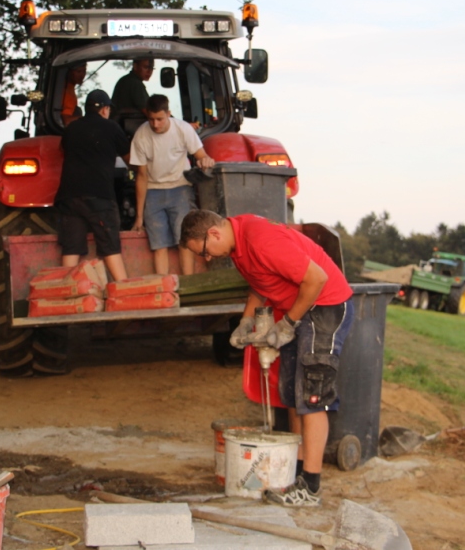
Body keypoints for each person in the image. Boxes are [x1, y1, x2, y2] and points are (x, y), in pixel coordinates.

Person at [179, 209, 354, 507]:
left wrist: (288, 323)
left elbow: (317, 279)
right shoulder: (237, 244)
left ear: (214, 234)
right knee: (293, 396)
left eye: (204, 252)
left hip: (325, 306)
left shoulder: (261, 240)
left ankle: (310, 488)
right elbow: (260, 283)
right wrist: (246, 321)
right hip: (300, 308)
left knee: (312, 397)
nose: (207, 258)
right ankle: (296, 473)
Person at [130, 95, 214, 275]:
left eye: (160, 119)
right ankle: (164, 285)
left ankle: (188, 284)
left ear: (168, 114)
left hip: (180, 188)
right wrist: (139, 217)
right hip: (153, 191)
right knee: (159, 245)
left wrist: (205, 161)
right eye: (151, 119)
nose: (155, 124)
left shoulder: (183, 129)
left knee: (184, 241)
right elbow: (142, 176)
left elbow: (201, 155)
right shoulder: (141, 135)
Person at [54, 89, 130, 282]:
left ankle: (66, 290)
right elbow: (131, 160)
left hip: (69, 197)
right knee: (110, 246)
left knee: (71, 248)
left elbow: (63, 149)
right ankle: (123, 287)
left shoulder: (71, 129)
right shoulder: (111, 128)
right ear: (105, 109)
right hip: (99, 196)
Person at [61, 61, 87, 125]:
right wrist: (89, 119)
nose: (82, 75)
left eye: (84, 71)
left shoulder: (69, 87)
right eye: (78, 72)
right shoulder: (67, 93)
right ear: (69, 72)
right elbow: (67, 121)